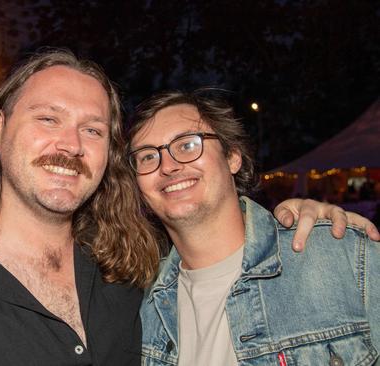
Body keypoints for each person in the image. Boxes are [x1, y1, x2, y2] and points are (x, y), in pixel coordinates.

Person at [0, 50, 376, 365]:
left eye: (93, 129)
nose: (71, 144)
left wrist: (317, 221)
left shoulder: (133, 283)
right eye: (48, 118)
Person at [132, 91, 380, 365]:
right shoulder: (139, 305)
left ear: (233, 157)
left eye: (188, 145)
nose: (168, 166)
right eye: (147, 157)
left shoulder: (341, 256)